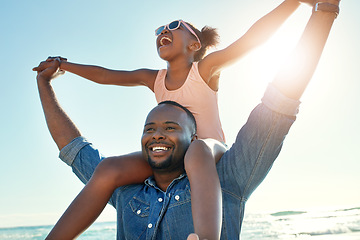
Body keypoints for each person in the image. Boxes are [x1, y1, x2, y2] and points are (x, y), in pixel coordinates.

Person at [34, 0, 340, 239]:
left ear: (194, 44)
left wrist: (293, 4)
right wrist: (63, 65)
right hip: (172, 154)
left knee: (196, 150)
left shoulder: (205, 69)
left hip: (209, 151)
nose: (163, 32)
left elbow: (250, 41)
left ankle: (205, 237)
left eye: (174, 27)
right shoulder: (153, 78)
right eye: (159, 31)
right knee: (109, 168)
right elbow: (106, 76)